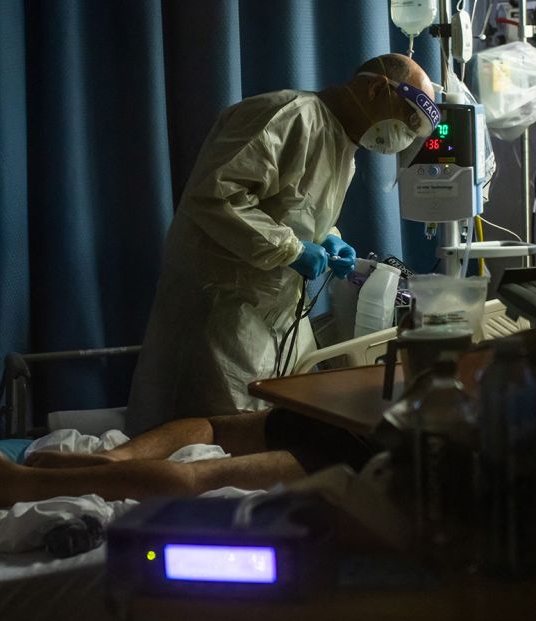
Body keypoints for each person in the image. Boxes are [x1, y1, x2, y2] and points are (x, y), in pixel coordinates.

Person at [126, 54, 439, 434]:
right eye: (408, 120)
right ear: (375, 88)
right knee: (215, 437)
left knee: (283, 422)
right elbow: (215, 197)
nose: (404, 136)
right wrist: (291, 250)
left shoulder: (343, 147)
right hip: (224, 310)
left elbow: (297, 209)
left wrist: (328, 239)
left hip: (277, 311)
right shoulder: (289, 116)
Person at [0, 407, 378, 526]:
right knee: (200, 479)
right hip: (366, 444)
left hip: (342, 414)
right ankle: (15, 483)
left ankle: (116, 460)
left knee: (213, 428)